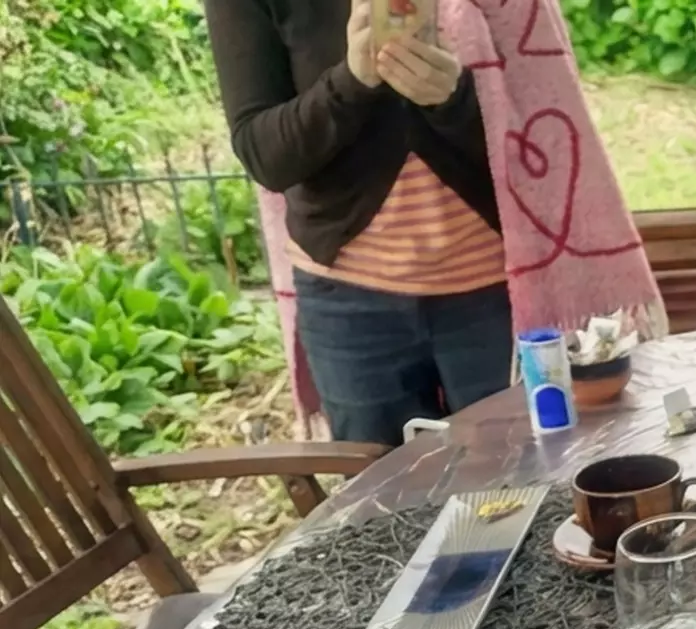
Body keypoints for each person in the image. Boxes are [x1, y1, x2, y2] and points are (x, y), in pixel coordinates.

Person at [205, 0, 664, 445]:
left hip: (500, 295)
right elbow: (265, 155)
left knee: (530, 485)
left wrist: (455, 100)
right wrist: (351, 83)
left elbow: (546, 149)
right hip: (349, 309)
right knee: (383, 509)